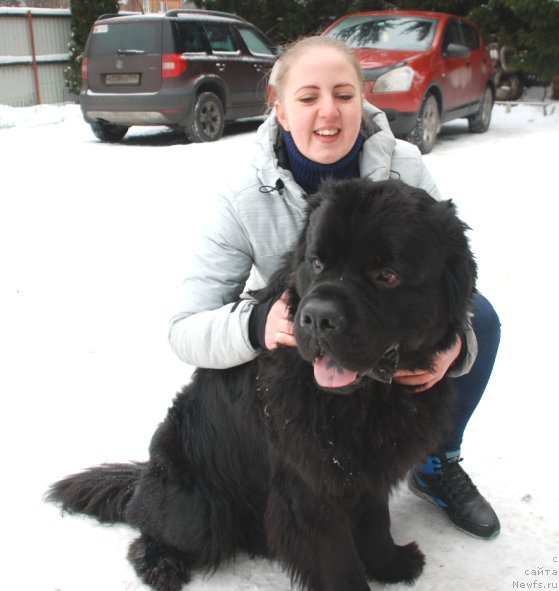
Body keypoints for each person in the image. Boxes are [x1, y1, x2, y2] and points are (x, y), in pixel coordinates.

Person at [169, 36, 501, 539]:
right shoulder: (241, 198)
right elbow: (184, 329)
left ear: (362, 99)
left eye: (344, 95)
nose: (329, 111)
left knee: (483, 319)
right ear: (280, 110)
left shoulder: (403, 166)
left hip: (376, 325)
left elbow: (450, 280)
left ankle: (435, 462)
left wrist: (453, 348)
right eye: (308, 98)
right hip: (298, 343)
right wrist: (259, 324)